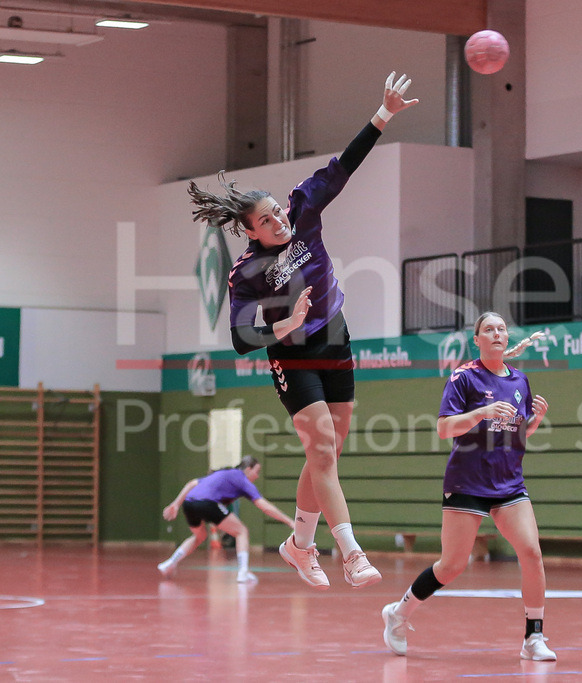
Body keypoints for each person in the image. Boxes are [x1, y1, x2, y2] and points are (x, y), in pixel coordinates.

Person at [186, 72, 419, 590]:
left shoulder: (303, 207)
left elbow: (345, 167)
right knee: (319, 450)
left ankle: (298, 544)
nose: (277, 222)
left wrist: (382, 114)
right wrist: (284, 326)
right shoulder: (245, 272)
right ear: (248, 232)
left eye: (276, 213)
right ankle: (351, 551)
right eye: (266, 222)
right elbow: (242, 339)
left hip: (334, 333)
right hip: (291, 351)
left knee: (331, 450)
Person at [381, 313, 556, 662]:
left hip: (509, 483)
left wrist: (533, 423)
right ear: (476, 339)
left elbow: (514, 434)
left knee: (532, 553)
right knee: (452, 565)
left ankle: (533, 637)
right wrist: (482, 412)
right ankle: (398, 614)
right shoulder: (464, 377)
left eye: (502, 329)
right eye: (489, 329)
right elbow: (445, 429)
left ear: (508, 339)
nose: (496, 333)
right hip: (468, 480)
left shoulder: (521, 380)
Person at [159, 455, 294, 583]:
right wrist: (289, 521)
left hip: (189, 502)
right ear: (248, 469)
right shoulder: (242, 479)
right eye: (256, 471)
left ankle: (170, 563)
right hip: (208, 503)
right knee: (241, 531)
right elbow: (265, 506)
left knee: (199, 536)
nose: (257, 476)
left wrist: (176, 504)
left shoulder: (222, 473)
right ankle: (243, 572)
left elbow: (191, 483)